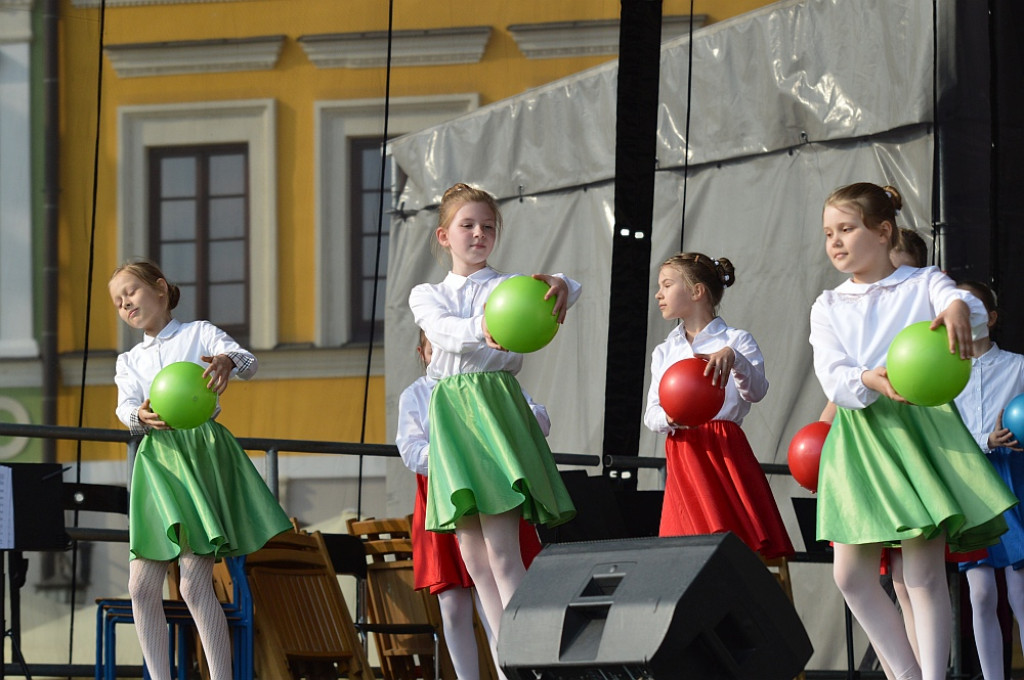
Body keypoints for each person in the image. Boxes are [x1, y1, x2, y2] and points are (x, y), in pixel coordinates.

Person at [809, 182, 1016, 680]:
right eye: (828, 233)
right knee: (850, 575)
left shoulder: (924, 282)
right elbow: (831, 372)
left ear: (883, 232)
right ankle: (905, 672)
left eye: (847, 229)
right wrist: (867, 379)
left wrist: (955, 309)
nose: (835, 242)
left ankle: (931, 677)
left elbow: (952, 302)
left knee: (923, 574)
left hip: (919, 431)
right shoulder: (828, 304)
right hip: (860, 437)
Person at [408, 182, 580, 648]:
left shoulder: (508, 286)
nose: (479, 234)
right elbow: (442, 332)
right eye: (467, 225)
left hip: (492, 406)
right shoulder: (426, 293)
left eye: (488, 226)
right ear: (444, 236)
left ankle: (532, 657)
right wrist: (483, 327)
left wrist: (562, 284)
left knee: (504, 554)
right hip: (453, 414)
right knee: (475, 561)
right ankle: (509, 664)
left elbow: (562, 290)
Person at [109, 259, 291, 680]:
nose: (125, 304)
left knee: (193, 581)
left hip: (201, 451)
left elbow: (247, 361)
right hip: (158, 463)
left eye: (130, 293)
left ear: (159, 288)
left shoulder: (198, 333)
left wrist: (227, 362)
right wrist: (137, 415)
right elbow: (123, 407)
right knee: (140, 586)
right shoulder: (129, 359)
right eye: (118, 302)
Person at [397, 330, 544, 679]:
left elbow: (538, 417)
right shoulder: (416, 394)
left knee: (495, 581)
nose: (444, 358)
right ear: (423, 353)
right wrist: (450, 456)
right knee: (452, 603)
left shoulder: (489, 383)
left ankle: (511, 670)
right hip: (443, 495)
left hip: (490, 489)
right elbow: (410, 448)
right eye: (436, 351)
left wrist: (513, 429)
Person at [644, 252, 793, 558]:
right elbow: (652, 414)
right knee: (685, 550)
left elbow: (756, 392)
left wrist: (733, 358)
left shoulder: (736, 340)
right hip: (684, 450)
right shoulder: (664, 351)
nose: (659, 294)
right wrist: (673, 417)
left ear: (697, 291)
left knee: (735, 544)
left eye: (667, 285)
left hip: (723, 449)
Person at [953, 280, 1024, 680]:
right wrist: (984, 440)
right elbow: (945, 432)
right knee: (980, 594)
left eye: (975, 307)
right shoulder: (946, 373)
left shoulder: (1018, 366)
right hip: (970, 483)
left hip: (1012, 482)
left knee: (1020, 591)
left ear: (992, 317)